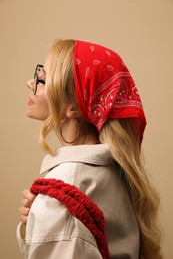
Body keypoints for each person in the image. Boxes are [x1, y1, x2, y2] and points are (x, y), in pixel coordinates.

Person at [17, 39, 162, 259]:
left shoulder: (65, 194)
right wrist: (35, 224)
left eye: (43, 79)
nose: (30, 82)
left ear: (73, 107)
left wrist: (49, 214)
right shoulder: (113, 174)